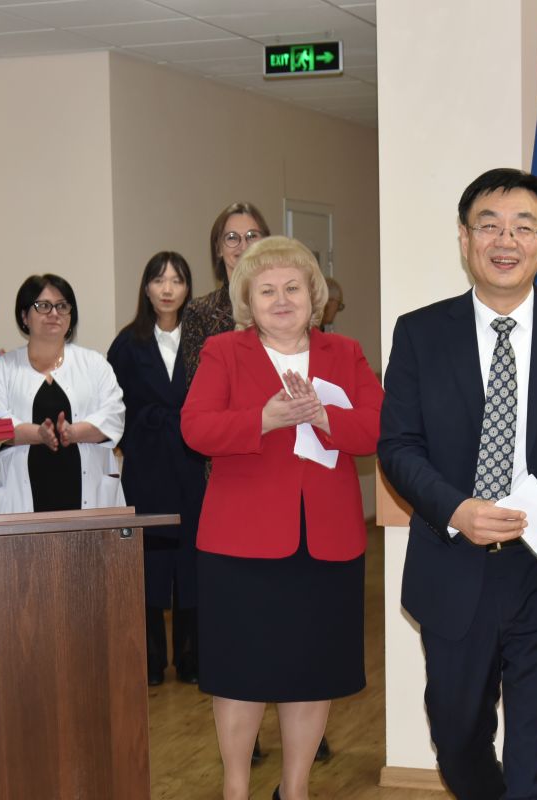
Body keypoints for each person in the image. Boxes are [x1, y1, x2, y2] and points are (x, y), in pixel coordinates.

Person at [377, 168, 537, 800]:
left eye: (524, 227)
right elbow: (398, 446)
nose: (505, 240)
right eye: (489, 226)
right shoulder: (420, 333)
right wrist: (455, 510)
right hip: (455, 564)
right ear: (465, 239)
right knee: (457, 737)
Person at [181, 236, 382, 800]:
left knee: (310, 673)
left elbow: (380, 427)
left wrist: (325, 416)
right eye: (266, 290)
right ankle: (236, 789)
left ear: (313, 295)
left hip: (327, 542)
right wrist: (263, 419)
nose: (281, 299)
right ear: (248, 300)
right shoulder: (224, 351)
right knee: (240, 675)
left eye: (293, 287)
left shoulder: (345, 352)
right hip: (239, 545)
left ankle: (295, 790)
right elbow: (195, 428)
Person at [107, 252, 206, 686]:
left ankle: (191, 657)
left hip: (193, 461)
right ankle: (148, 660)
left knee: (192, 556)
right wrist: (135, 440)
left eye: (177, 280)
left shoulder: (201, 340)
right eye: (159, 280)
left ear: (188, 288)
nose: (167, 289)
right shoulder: (127, 343)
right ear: (146, 287)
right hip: (147, 464)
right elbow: (113, 407)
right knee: (147, 559)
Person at [0, 274, 124, 514]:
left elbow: (114, 415)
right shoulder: (2, 368)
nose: (54, 313)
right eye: (43, 306)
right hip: (17, 495)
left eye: (62, 306)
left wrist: (73, 432)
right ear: (24, 316)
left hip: (87, 492)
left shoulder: (94, 364)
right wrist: (39, 434)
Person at [180, 201, 271, 387]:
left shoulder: (281, 304)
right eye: (232, 237)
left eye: (252, 236)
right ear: (218, 248)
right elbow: (200, 385)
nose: (243, 245)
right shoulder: (199, 311)